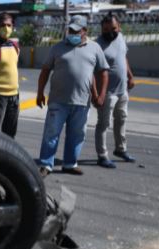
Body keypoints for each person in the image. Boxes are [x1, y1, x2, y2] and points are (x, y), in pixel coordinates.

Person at [36, 15, 109, 176]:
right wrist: (40, 93)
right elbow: (45, 70)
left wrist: (100, 94)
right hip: (58, 100)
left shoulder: (95, 48)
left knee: (76, 135)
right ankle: (46, 165)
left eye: (77, 30)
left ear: (85, 31)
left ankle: (70, 163)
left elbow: (102, 72)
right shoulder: (57, 48)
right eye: (70, 30)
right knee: (51, 134)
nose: (72, 33)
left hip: (82, 102)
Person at [94, 14, 136, 169]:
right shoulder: (96, 45)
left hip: (122, 90)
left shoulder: (121, 38)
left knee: (121, 119)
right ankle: (102, 155)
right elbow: (92, 72)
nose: (109, 32)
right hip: (107, 92)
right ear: (101, 29)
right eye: (105, 29)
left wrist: (130, 77)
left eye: (113, 28)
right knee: (103, 124)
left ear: (119, 27)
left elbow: (123, 58)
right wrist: (96, 93)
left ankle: (121, 149)